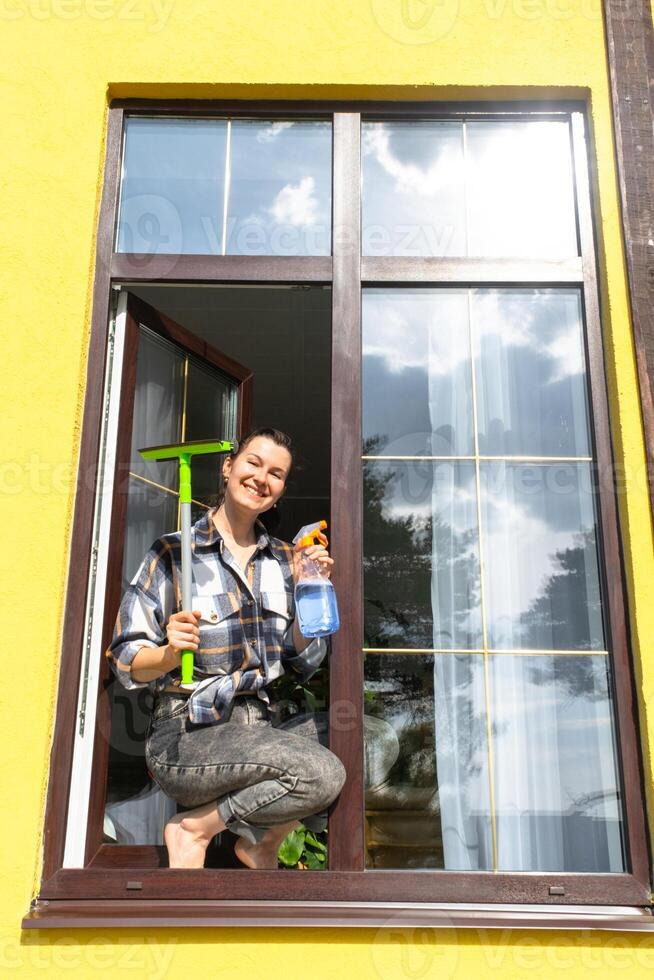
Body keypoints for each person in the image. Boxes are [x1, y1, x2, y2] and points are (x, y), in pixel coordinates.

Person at [106, 426, 347, 869]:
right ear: (227, 466)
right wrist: (166, 654)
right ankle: (194, 829)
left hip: (262, 729)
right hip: (188, 736)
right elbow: (125, 658)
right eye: (253, 462)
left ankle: (259, 840)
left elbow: (303, 662)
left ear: (280, 492)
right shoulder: (173, 554)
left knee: (368, 743)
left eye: (276, 473)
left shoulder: (285, 560)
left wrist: (312, 591)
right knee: (321, 771)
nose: (262, 477)